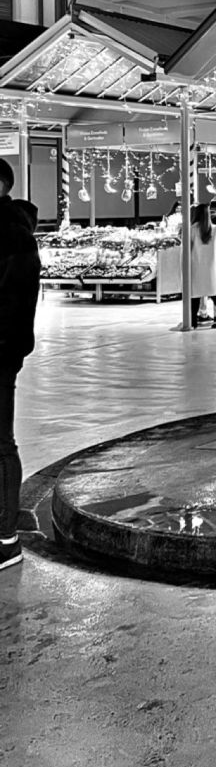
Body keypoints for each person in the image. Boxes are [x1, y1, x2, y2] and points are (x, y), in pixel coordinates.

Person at [0, 160, 40, 572]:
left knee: (0, 445)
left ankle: (6, 539)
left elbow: (17, 304)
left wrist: (7, 351)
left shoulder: (13, 236)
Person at [189, 203, 216, 327]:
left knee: (195, 294)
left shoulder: (192, 229)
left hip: (196, 264)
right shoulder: (215, 229)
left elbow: (187, 248)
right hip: (212, 266)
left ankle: (193, 321)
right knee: (215, 293)